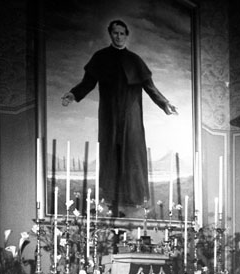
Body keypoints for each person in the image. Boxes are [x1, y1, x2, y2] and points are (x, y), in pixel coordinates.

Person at [62, 19, 178, 211]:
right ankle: (111, 198)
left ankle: (133, 198)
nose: (118, 36)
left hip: (131, 115)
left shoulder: (135, 60)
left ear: (126, 35)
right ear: (110, 34)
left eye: (122, 33)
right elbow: (88, 82)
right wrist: (73, 94)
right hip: (109, 115)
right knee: (110, 153)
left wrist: (164, 103)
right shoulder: (100, 57)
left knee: (132, 154)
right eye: (115, 33)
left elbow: (150, 87)